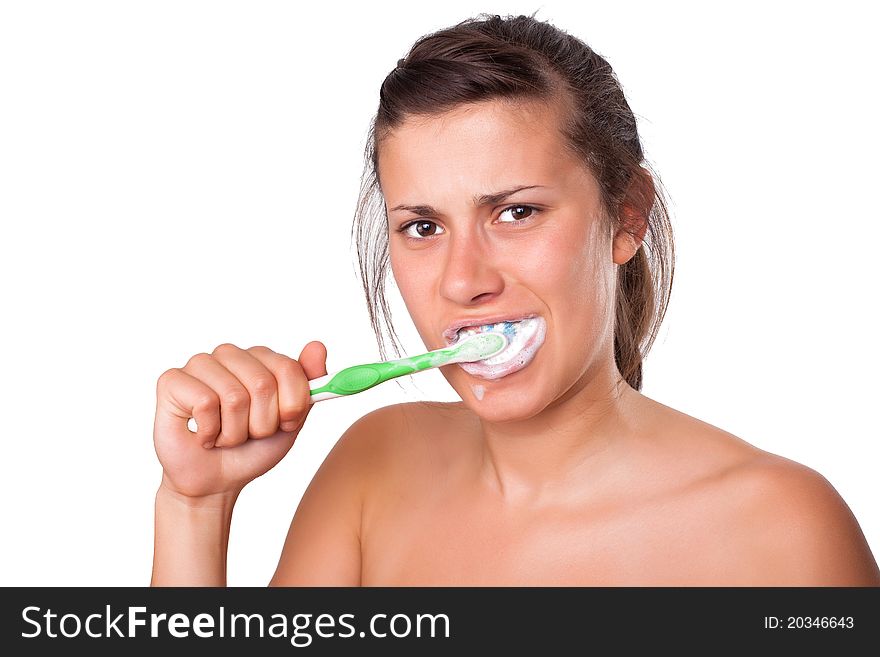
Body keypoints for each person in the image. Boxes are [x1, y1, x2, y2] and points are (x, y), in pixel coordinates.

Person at [151, 13, 880, 586]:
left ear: (627, 216)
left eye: (516, 212)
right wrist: (195, 507)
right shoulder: (372, 470)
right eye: (424, 226)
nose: (464, 280)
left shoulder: (783, 530)